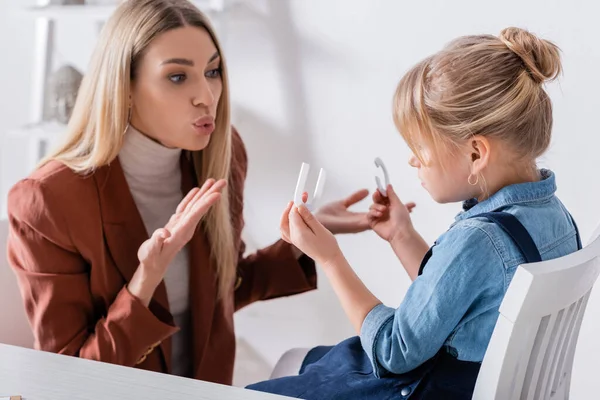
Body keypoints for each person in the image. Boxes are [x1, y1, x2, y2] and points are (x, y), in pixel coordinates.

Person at [5, 0, 377, 385]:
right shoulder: (48, 201)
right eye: (178, 77)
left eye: (212, 71)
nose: (207, 95)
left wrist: (303, 238)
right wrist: (146, 279)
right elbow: (65, 378)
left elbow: (218, 293)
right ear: (125, 88)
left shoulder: (222, 157)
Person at [246, 27, 581, 399]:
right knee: (302, 362)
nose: (411, 160)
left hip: (429, 389)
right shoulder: (553, 217)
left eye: (420, 148)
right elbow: (458, 298)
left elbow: (393, 353)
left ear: (475, 153)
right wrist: (401, 236)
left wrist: (330, 258)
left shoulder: (479, 239)